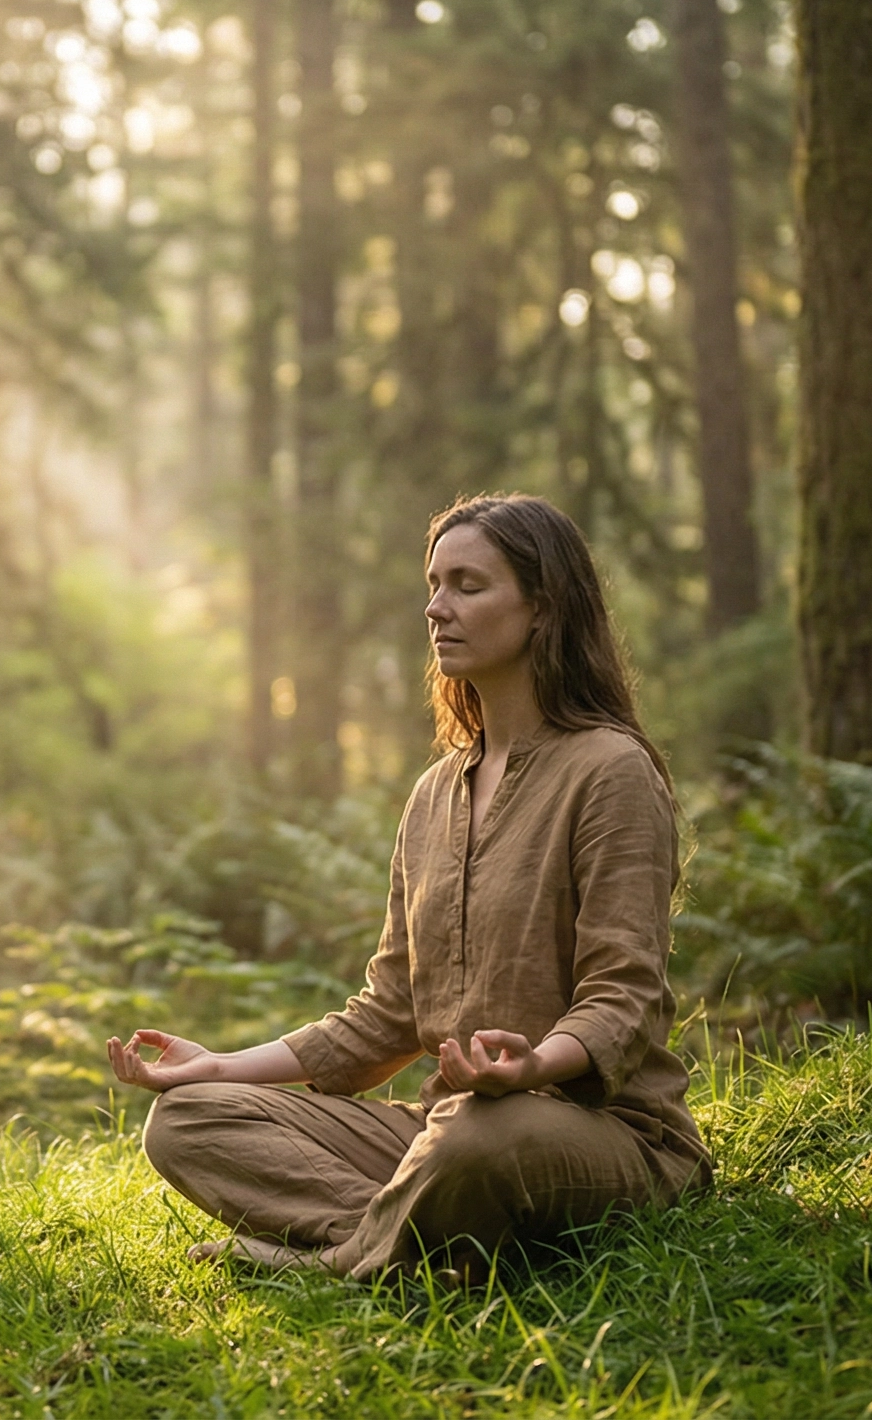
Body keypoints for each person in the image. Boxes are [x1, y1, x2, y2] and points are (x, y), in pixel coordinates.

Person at [106, 493, 709, 1279]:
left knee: (477, 1139)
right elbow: (388, 1014)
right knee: (183, 1121)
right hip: (445, 1127)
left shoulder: (610, 771)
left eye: (468, 585)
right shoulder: (432, 795)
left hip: (600, 1134)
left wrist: (532, 1068)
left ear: (543, 607)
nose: (436, 608)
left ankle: (344, 1259)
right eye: (433, 584)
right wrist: (217, 1066)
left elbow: (623, 1001)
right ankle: (426, 1242)